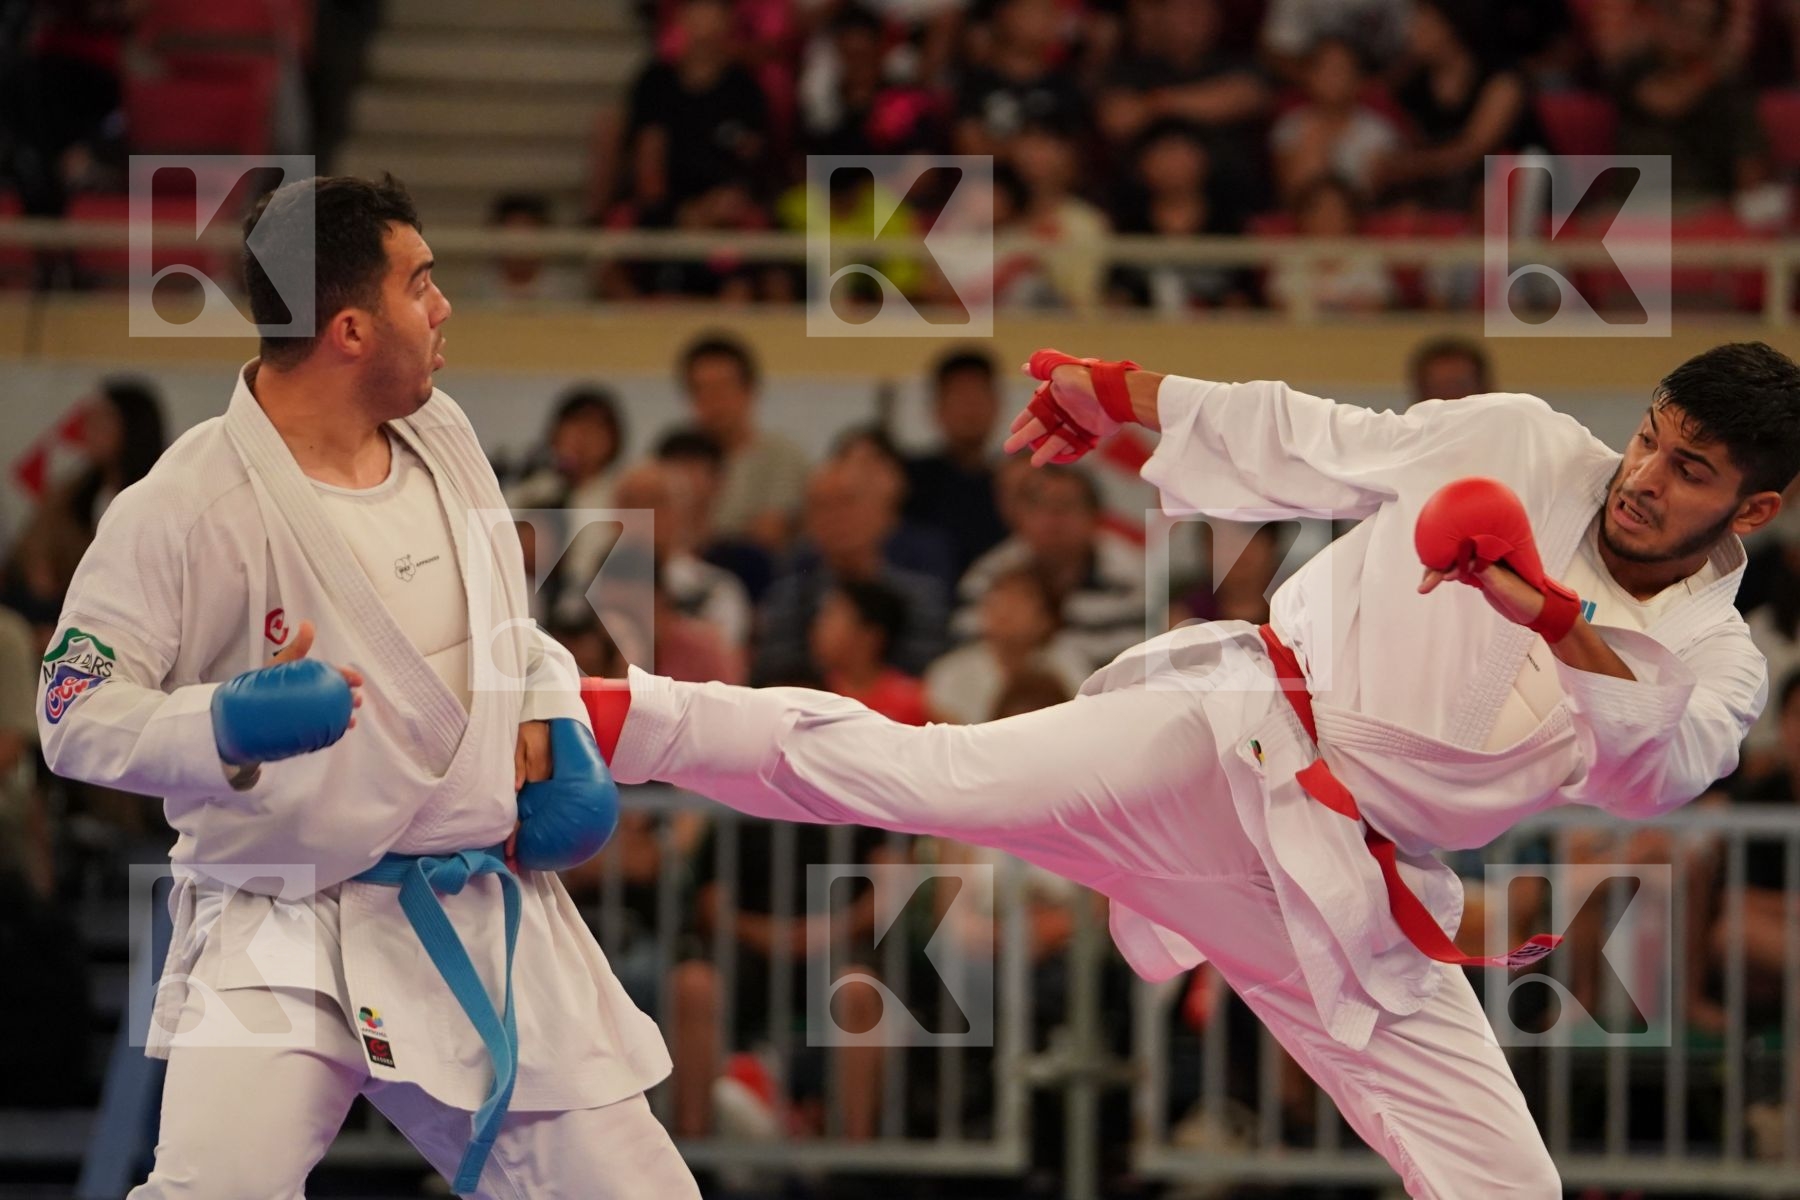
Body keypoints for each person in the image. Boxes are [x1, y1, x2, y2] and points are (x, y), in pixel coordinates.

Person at [581, 340, 1800, 1197]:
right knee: (922, 776)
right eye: (1652, 437)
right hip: (1223, 732)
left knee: (1505, 1181)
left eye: (1691, 471)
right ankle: (603, 717)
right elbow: (1314, 438)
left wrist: (1548, 618)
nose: (1643, 477)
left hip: (1348, 883)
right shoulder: (1521, 441)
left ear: (1754, 513)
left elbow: (1660, 777)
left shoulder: (1716, 658)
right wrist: (1121, 392)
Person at [36, 175, 693, 1200]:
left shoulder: (445, 437)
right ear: (349, 327)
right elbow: (71, 714)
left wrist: (552, 712)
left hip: (468, 904)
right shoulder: (183, 502)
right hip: (276, 913)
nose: (443, 308)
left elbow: (505, 629)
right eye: (420, 283)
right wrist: (224, 721)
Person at [677, 333, 811, 552]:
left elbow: (770, 534)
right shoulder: (676, 458)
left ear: (749, 390)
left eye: (721, 388)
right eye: (701, 390)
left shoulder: (784, 457)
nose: (712, 402)